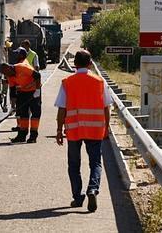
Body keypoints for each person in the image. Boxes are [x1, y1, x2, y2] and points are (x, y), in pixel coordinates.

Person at [55, 49, 112, 212]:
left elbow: (62, 109)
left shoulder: (67, 82)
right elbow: (106, 107)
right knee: (95, 163)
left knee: (74, 164)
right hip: (95, 129)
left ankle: (78, 197)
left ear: (74, 64)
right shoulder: (99, 82)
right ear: (89, 63)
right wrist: (106, 128)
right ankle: (92, 189)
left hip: (74, 129)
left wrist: (59, 130)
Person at [1, 47, 42, 143]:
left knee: (35, 113)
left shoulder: (22, 67)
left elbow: (37, 75)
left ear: (8, 68)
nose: (6, 76)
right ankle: (22, 135)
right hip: (23, 92)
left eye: (6, 73)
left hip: (34, 91)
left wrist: (37, 91)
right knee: (23, 114)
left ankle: (33, 136)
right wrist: (13, 105)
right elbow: (12, 90)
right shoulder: (9, 75)